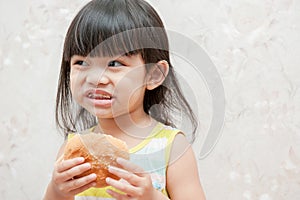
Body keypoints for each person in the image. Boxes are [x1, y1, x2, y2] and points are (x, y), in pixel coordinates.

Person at [44, 0, 206, 199]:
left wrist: (151, 197)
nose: (95, 79)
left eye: (114, 63)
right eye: (82, 62)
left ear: (153, 75)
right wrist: (56, 191)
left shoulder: (170, 147)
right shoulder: (74, 148)